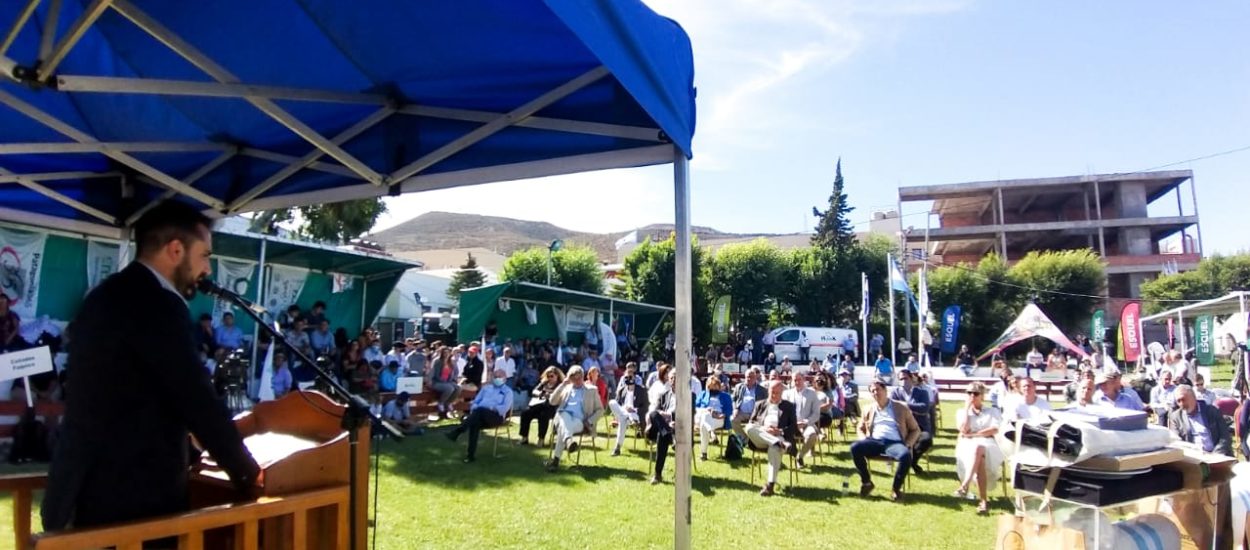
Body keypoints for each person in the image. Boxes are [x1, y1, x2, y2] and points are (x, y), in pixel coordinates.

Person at [42, 200, 260, 531]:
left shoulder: (103, 296)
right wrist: (248, 474)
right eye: (205, 255)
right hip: (130, 503)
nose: (208, 270)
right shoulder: (158, 305)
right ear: (175, 250)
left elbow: (131, 395)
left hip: (78, 489)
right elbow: (194, 397)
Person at [851, 381, 921, 501]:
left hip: (894, 442)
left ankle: (896, 489)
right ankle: (867, 482)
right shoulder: (868, 408)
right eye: (872, 391)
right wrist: (863, 439)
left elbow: (915, 429)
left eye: (878, 389)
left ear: (885, 390)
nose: (875, 393)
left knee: (905, 455)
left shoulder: (900, 407)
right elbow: (860, 427)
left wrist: (908, 444)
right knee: (855, 447)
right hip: (875, 441)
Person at [953, 382, 1003, 515]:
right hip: (967, 444)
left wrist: (974, 434)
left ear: (982, 396)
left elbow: (994, 429)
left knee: (979, 448)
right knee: (978, 452)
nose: (972, 396)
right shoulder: (961, 412)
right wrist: (966, 409)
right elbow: (963, 430)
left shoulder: (992, 411)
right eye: (969, 393)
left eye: (975, 393)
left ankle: (965, 485)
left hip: (989, 444)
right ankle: (983, 501)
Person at [446, 368, 513, 463]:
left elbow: (504, 408)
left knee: (480, 410)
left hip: (495, 417)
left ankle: (458, 431)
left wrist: (488, 407)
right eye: (495, 376)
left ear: (505, 378)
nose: (497, 378)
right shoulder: (486, 388)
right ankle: (470, 456)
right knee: (475, 423)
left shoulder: (508, 392)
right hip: (480, 415)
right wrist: (476, 407)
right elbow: (475, 401)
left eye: (500, 376)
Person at [545, 366, 604, 472]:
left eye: (579, 378)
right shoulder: (566, 388)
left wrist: (589, 421)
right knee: (564, 415)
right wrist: (563, 384)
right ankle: (568, 441)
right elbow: (552, 401)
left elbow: (600, 410)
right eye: (574, 379)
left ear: (583, 377)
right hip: (562, 417)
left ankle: (556, 461)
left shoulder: (592, 390)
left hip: (580, 421)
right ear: (570, 379)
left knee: (563, 429)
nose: (577, 381)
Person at [744, 380, 798, 496]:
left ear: (782, 393)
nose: (774, 395)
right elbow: (752, 422)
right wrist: (764, 429)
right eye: (772, 392)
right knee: (748, 427)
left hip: (780, 436)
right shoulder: (760, 404)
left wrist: (780, 431)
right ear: (768, 391)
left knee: (774, 449)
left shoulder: (789, 406)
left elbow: (794, 427)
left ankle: (770, 485)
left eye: (777, 393)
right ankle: (777, 443)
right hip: (761, 438)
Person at [1167, 385, 1233, 456]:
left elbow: (1225, 436)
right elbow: (1176, 442)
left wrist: (1216, 454)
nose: (1181, 404)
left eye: (1183, 399)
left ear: (1193, 397)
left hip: (1218, 454)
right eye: (1178, 401)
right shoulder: (1176, 417)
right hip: (1194, 457)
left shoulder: (1212, 411)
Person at [889, 370, 934, 474]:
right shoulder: (895, 392)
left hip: (920, 426)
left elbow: (924, 408)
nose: (903, 381)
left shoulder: (922, 392)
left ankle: (912, 461)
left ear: (911, 379)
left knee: (926, 440)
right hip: (901, 427)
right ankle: (905, 459)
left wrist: (905, 405)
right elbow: (892, 407)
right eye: (901, 379)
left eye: (905, 378)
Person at [646, 368, 678, 484]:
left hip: (677, 429)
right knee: (653, 413)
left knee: (662, 436)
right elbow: (655, 412)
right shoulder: (664, 395)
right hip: (664, 428)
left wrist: (673, 420)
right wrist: (666, 418)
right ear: (668, 380)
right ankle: (667, 431)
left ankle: (657, 474)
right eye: (671, 378)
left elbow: (689, 414)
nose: (674, 380)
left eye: (676, 377)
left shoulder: (688, 396)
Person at [784, 371, 822, 467]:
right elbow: (783, 412)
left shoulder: (812, 393)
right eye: (795, 380)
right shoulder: (787, 394)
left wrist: (806, 422)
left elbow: (816, 413)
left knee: (812, 435)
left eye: (799, 379)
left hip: (806, 424)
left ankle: (800, 456)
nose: (797, 382)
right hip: (791, 425)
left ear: (804, 380)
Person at [520, 367, 564, 446]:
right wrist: (541, 394)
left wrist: (550, 395)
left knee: (543, 416)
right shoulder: (544, 383)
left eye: (552, 376)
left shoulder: (560, 385)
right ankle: (524, 437)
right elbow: (534, 391)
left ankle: (541, 439)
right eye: (548, 376)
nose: (549, 378)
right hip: (539, 404)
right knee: (525, 413)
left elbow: (561, 397)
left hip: (552, 407)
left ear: (557, 376)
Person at [609, 370, 648, 456]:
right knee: (612, 402)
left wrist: (634, 409)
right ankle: (617, 448)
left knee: (623, 418)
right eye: (626, 377)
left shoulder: (641, 390)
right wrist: (624, 410)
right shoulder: (622, 390)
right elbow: (617, 406)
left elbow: (646, 407)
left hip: (636, 415)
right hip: (624, 415)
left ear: (635, 378)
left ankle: (617, 448)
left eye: (630, 377)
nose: (628, 379)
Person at [694, 377, 732, 461]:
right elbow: (695, 407)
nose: (713, 389)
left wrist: (722, 415)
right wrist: (707, 410)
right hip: (703, 415)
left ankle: (703, 453)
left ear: (719, 386)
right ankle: (712, 433)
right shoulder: (703, 394)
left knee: (704, 424)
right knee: (705, 416)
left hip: (718, 418)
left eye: (715, 386)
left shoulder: (726, 396)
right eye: (710, 387)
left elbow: (729, 410)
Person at [731, 367, 768, 443]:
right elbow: (734, 399)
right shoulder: (739, 387)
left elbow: (766, 404)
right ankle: (745, 439)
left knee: (755, 426)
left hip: (755, 414)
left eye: (751, 377)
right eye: (747, 377)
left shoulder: (762, 390)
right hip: (741, 413)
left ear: (755, 378)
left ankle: (756, 440)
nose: (749, 379)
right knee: (732, 419)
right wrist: (735, 409)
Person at [428, 346, 461, 419]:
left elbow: (455, 372)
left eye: (448, 352)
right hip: (437, 382)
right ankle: (441, 403)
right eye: (444, 353)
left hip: (448, 381)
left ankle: (449, 402)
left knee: (458, 388)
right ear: (442, 353)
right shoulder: (437, 361)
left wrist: (454, 379)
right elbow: (435, 374)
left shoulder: (451, 362)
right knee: (450, 388)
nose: (446, 354)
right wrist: (445, 382)